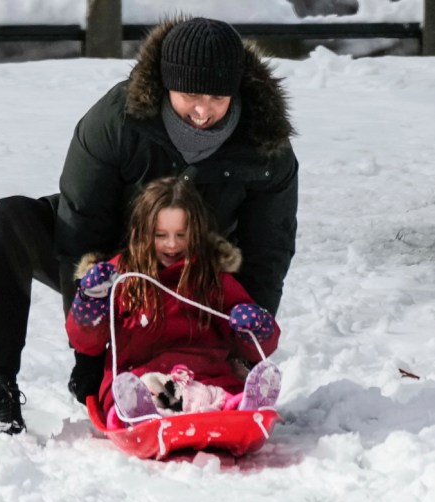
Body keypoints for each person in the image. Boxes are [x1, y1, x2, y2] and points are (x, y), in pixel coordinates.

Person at [0, 16, 298, 435]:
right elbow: (81, 227)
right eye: (190, 96)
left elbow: (269, 249)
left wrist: (248, 345)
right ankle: (1, 384)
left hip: (198, 270)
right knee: (9, 219)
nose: (203, 111)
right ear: (166, 87)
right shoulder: (116, 120)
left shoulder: (266, 143)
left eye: (218, 97)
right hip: (110, 256)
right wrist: (88, 358)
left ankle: (214, 392)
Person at [65, 177, 282, 427]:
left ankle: (243, 409)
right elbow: (86, 343)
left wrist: (256, 328)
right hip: (140, 377)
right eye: (160, 235)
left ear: (197, 232)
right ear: (142, 233)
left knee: (217, 395)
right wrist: (90, 303)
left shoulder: (212, 278)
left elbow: (257, 348)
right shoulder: (122, 276)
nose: (172, 244)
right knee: (140, 391)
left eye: (181, 235)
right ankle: (135, 415)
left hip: (205, 376)